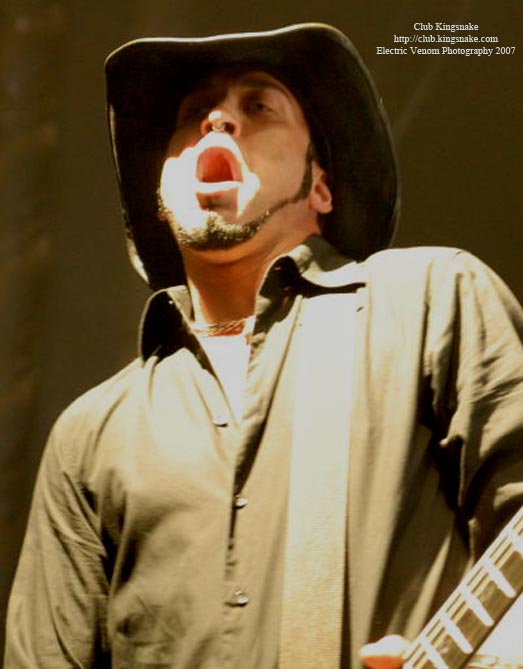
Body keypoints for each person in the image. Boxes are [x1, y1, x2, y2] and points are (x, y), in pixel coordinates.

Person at [4, 23, 523, 669]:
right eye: (194, 113)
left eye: (258, 105)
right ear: (161, 195)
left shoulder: (430, 298)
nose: (217, 120)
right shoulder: (90, 433)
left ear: (320, 185)